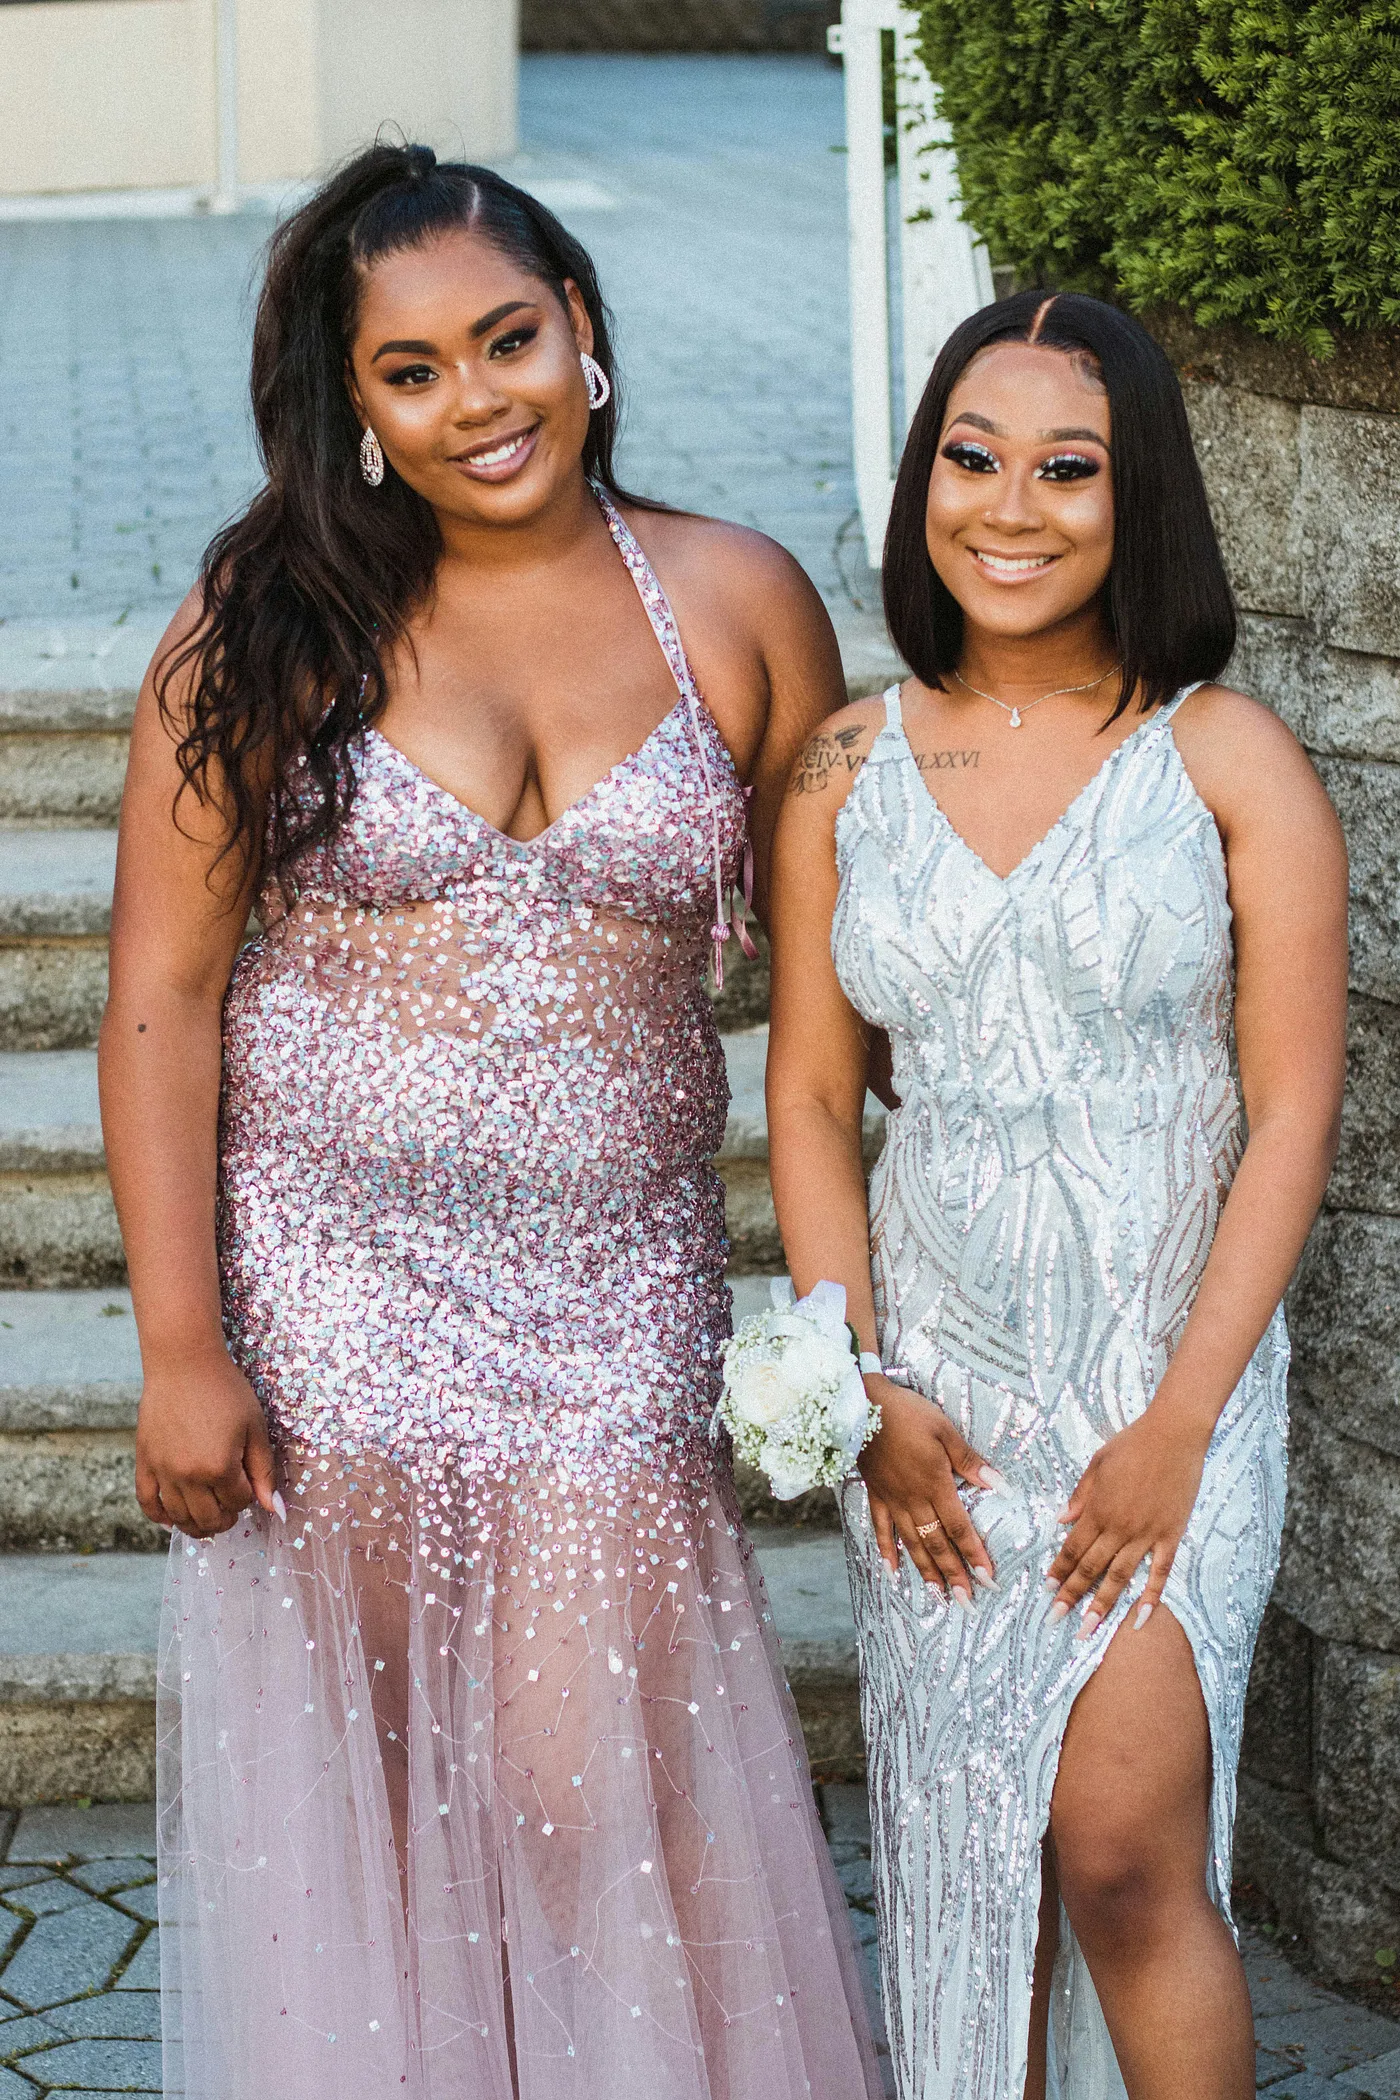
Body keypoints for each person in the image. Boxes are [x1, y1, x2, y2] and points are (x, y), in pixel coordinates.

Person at [99, 142, 882, 2100]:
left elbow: (848, 982)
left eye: (508, 340)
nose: (480, 400)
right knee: (369, 1816)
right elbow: (159, 995)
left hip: (615, 1292)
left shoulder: (739, 597)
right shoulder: (262, 626)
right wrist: (181, 1349)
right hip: (327, 1284)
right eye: (416, 370)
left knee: (581, 1779)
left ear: (584, 334)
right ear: (352, 407)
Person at [765, 289, 1347, 2100]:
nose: (1010, 506)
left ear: (1138, 497)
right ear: (925, 476)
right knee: (965, 1883)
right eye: (973, 456)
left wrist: (1184, 1421)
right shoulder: (846, 766)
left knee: (1116, 1856)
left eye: (1068, 469)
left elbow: (1292, 1111)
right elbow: (804, 1088)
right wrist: (858, 1382)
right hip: (940, 1411)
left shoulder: (1222, 758)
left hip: (1164, 1394)